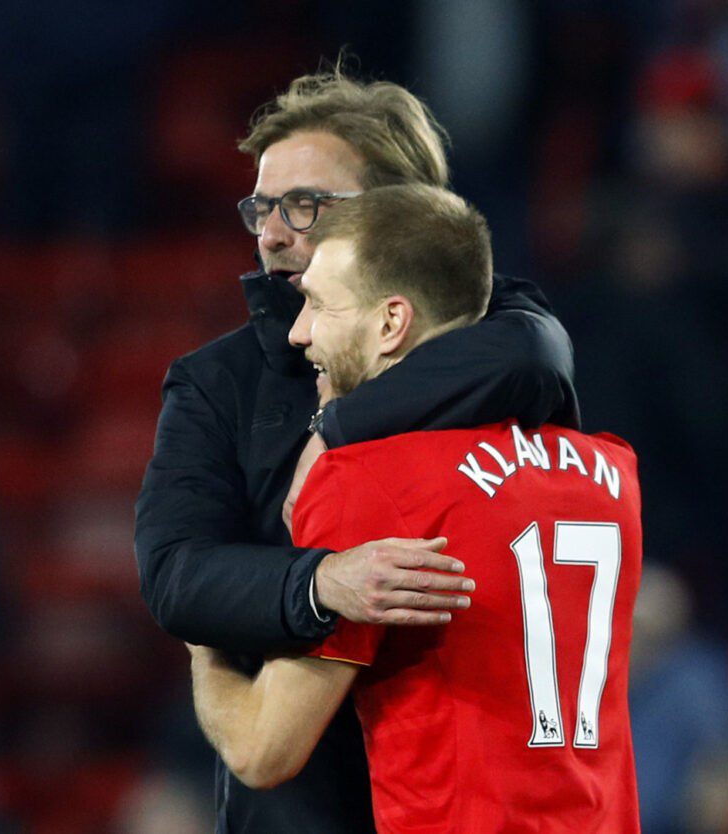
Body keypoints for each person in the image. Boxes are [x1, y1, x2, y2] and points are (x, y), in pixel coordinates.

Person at [135, 66, 580, 833]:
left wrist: (335, 429)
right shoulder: (217, 382)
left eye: (304, 206)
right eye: (261, 209)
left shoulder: (504, 338)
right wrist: (319, 584)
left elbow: (535, 351)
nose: (271, 235)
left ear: (399, 212)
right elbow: (174, 572)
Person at [189, 185, 642, 833]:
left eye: (319, 304)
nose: (298, 331)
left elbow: (264, 751)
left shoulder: (365, 482)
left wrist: (202, 641)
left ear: (391, 323)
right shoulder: (611, 471)